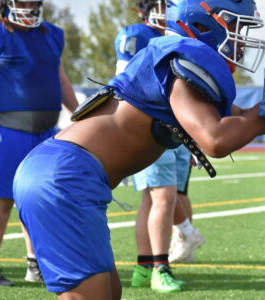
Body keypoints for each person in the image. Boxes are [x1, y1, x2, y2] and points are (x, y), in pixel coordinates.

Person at [12, 0, 265, 298]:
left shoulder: (174, 60)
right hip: (64, 177)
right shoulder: (183, 60)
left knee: (111, 292)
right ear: (204, 24)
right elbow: (215, 139)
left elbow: (237, 119)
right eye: (237, 25)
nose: (241, 38)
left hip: (64, 172)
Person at [0, 0, 78, 286]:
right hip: (6, 130)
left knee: (39, 199)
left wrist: (80, 116)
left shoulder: (50, 34)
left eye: (33, 1)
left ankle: (35, 265)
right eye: (22, 1)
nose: (29, 6)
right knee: (3, 201)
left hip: (46, 132)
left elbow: (61, 81)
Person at [114, 1, 205, 292]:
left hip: (176, 128)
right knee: (164, 198)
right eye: (160, 4)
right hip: (151, 125)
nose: (166, 10)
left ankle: (143, 267)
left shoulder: (180, 34)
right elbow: (122, 85)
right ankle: (159, 268)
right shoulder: (136, 35)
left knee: (153, 201)